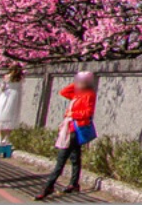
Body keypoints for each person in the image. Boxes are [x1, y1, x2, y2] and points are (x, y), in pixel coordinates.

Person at [35, 71, 96, 200]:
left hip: (75, 129)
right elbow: (63, 92)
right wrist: (76, 83)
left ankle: (48, 186)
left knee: (61, 159)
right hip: (69, 129)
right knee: (75, 157)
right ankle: (74, 184)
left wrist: (72, 115)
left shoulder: (89, 94)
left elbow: (88, 112)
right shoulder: (77, 93)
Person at [0, 66, 25, 152]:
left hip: (6, 96)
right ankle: (7, 138)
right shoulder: (21, 79)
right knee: (10, 117)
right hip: (15, 98)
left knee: (0, 116)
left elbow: (2, 88)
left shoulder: (7, 77)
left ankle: (0, 139)